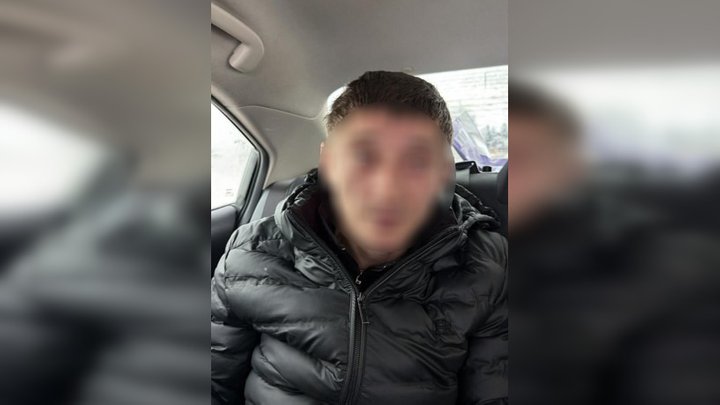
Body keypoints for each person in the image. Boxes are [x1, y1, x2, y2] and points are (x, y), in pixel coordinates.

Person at [211, 71, 508, 405]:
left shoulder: (486, 268)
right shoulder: (251, 252)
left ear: (445, 171)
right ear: (328, 163)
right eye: (363, 157)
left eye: (417, 162)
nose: (387, 190)